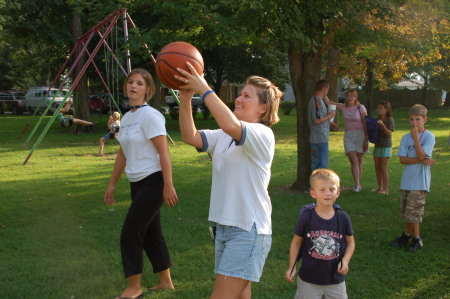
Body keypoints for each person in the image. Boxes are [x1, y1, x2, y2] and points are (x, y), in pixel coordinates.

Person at [175, 62, 282, 299]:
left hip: (247, 229)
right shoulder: (224, 136)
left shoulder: (263, 134)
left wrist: (204, 88)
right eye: (240, 94)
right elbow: (189, 136)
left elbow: (230, 124)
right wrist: (185, 99)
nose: (239, 99)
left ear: (262, 109)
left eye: (247, 96)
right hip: (224, 228)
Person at [103, 68, 178, 299]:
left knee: (130, 233)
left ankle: (134, 287)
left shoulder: (151, 116)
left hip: (153, 182)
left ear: (148, 89)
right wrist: (112, 184)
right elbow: (122, 154)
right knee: (151, 234)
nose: (133, 86)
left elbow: (163, 152)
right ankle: (166, 282)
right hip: (136, 183)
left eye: (139, 83)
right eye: (130, 82)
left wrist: (168, 184)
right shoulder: (126, 117)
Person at [285, 168, 355, 299]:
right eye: (322, 190)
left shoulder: (343, 218)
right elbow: (296, 243)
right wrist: (292, 266)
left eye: (331, 189)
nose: (327, 193)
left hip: (335, 280)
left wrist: (345, 261)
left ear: (338, 192)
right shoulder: (306, 217)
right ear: (313, 193)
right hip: (309, 280)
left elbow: (350, 243)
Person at [389, 104, 435, 252]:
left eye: (418, 119)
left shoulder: (428, 136)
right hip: (407, 181)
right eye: (411, 119)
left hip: (420, 182)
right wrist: (420, 160)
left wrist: (416, 138)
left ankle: (416, 239)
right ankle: (407, 235)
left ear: (425, 120)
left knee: (413, 213)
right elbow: (403, 159)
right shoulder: (405, 137)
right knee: (407, 213)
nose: (414, 122)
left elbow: (422, 155)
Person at [324, 90, 368, 192]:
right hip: (349, 135)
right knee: (354, 160)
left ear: (356, 97)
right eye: (348, 96)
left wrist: (366, 138)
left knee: (359, 161)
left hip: (360, 134)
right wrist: (324, 92)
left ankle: (357, 182)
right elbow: (329, 102)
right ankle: (357, 184)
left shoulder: (360, 107)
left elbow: (366, 122)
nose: (350, 97)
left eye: (352, 96)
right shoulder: (343, 107)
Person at [308, 80, 337, 171]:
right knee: (321, 166)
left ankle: (317, 184)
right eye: (327, 89)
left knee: (317, 165)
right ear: (324, 88)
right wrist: (330, 116)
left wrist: (329, 123)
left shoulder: (318, 101)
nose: (327, 91)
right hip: (319, 139)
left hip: (318, 138)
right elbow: (316, 120)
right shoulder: (317, 102)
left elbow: (320, 117)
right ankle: (319, 185)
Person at [373, 101, 394, 194]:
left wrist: (382, 125)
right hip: (377, 145)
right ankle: (379, 187)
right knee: (377, 167)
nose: (379, 109)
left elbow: (389, 133)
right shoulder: (376, 119)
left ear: (387, 109)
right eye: (378, 107)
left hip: (386, 146)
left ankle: (386, 189)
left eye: (381, 108)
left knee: (383, 167)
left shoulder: (390, 120)